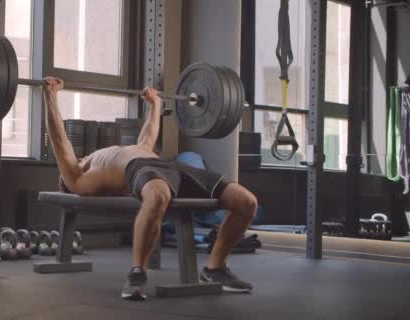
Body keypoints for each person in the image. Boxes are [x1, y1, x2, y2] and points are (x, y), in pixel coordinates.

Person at [42, 77, 257, 301]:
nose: (78, 157)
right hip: (140, 168)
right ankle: (137, 272)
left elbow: (147, 138)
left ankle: (214, 269)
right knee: (158, 197)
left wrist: (155, 105)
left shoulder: (110, 154)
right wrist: (50, 95)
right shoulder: (79, 178)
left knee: (245, 201)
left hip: (171, 167)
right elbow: (59, 140)